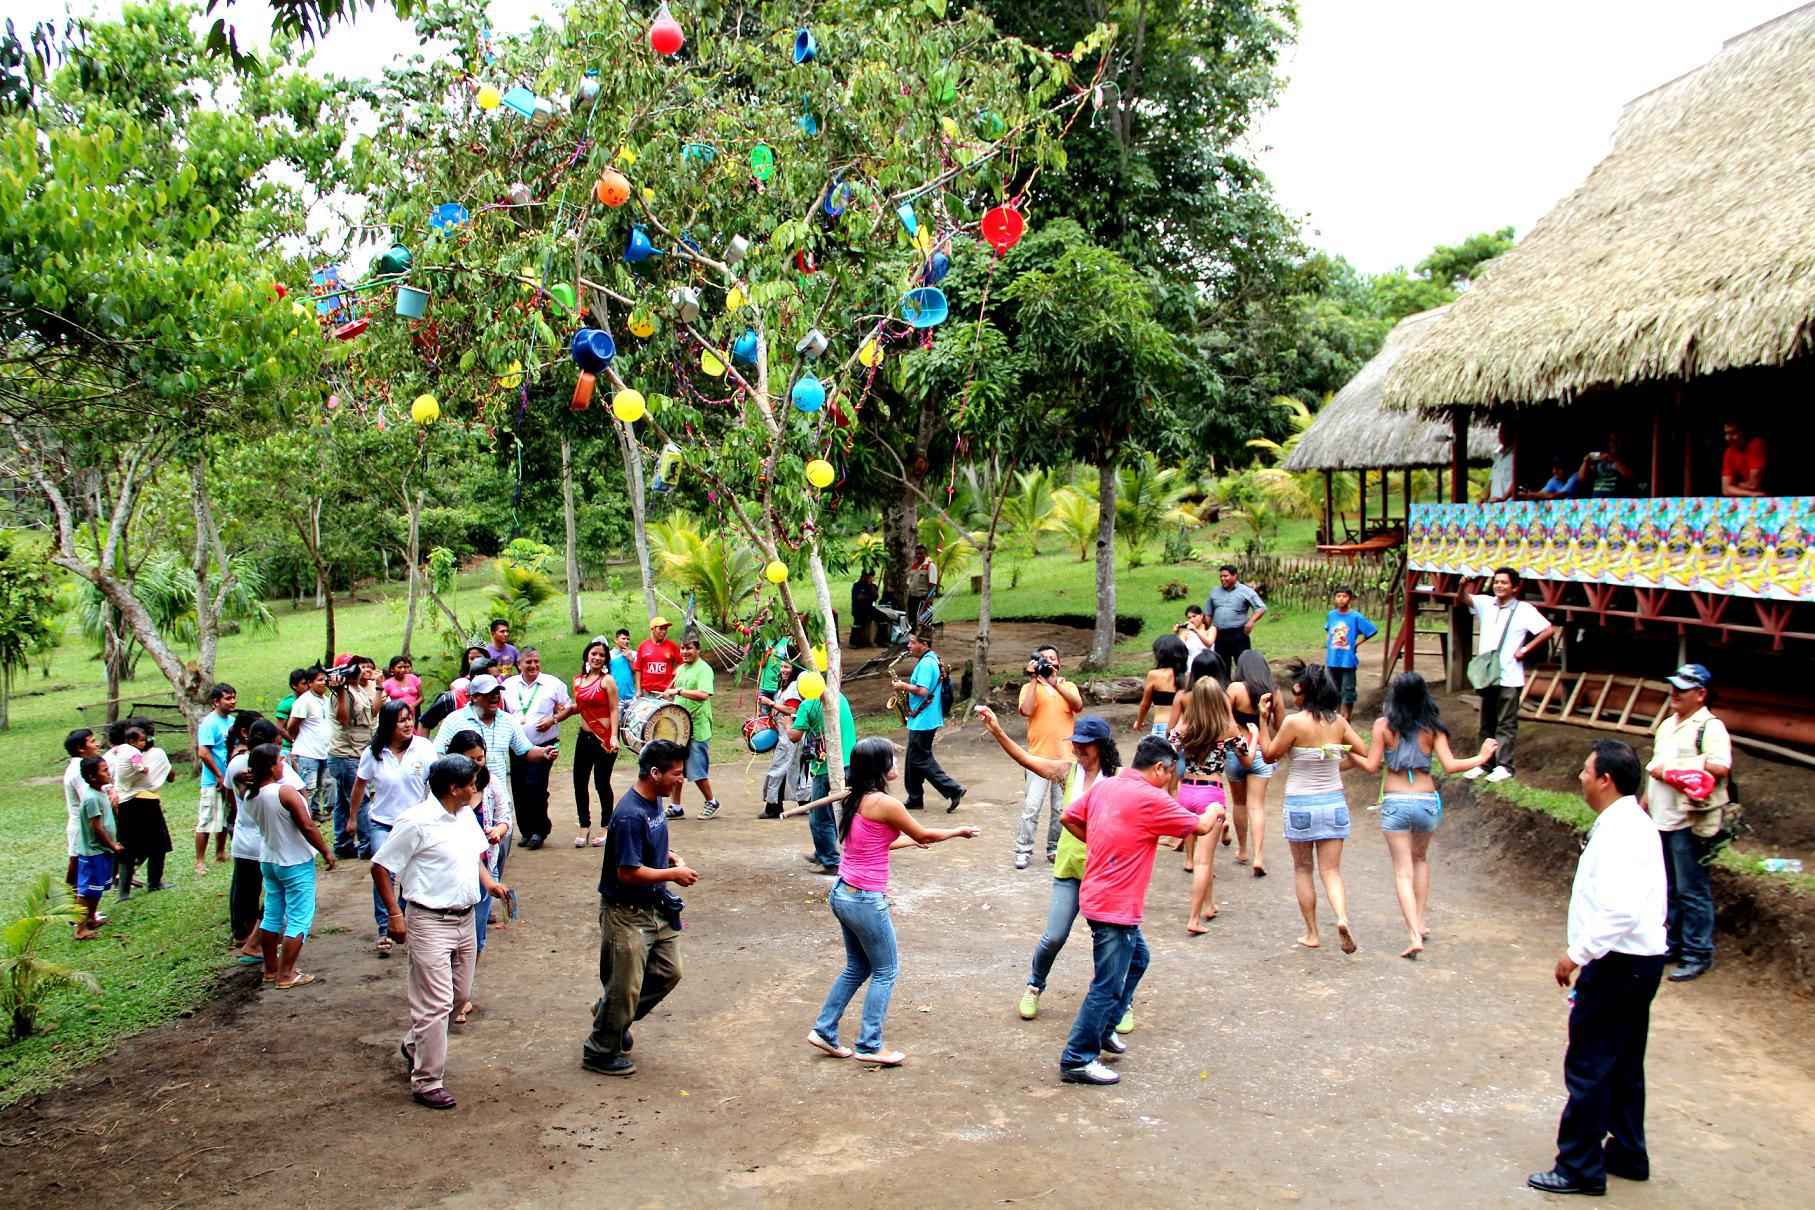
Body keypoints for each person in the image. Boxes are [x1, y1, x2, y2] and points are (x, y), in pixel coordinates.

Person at [1526, 740, 1668, 1198]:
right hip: (1638, 962)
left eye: (1586, 771)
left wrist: (1578, 954)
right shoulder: (1630, 823)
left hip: (1618, 963)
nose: (1581, 778)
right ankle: (1627, 1150)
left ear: (1606, 779)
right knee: (1624, 1062)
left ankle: (1579, 1166)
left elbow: (1621, 909)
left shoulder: (1622, 831)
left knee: (1589, 1064)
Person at [808, 737, 978, 1066]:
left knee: (858, 967)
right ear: (878, 768)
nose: (896, 765)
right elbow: (923, 834)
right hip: (864, 900)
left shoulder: (855, 799)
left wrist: (913, 844)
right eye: (891, 760)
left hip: (843, 892)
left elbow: (870, 846)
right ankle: (870, 1044)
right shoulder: (887, 805)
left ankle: (825, 1030)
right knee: (886, 970)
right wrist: (957, 831)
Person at [1057, 735, 1216, 1086]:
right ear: (1159, 768)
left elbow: (1068, 818)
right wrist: (1217, 808)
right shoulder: (1151, 798)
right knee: (1107, 984)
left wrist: (1100, 842)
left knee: (1138, 960)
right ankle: (1077, 1059)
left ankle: (1104, 1029)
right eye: (1171, 772)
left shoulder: (1107, 786)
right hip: (1115, 905)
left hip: (1100, 897)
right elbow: (1201, 827)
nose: (1172, 779)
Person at [372, 754, 510, 1111]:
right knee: (435, 1003)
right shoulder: (415, 822)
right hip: (429, 921)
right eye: (470, 784)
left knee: (459, 996)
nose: (475, 789)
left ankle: (415, 1045)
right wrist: (393, 914)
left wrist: (490, 884)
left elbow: (474, 857)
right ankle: (427, 1081)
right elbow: (381, 866)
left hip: (465, 919)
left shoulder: (464, 816)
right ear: (453, 788)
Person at [977, 709, 1120, 1023]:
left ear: (1103, 745)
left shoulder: (1119, 780)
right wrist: (998, 731)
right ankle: (1033, 986)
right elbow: (1028, 760)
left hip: (1106, 874)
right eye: (1075, 743)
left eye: (1085, 744)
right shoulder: (1068, 772)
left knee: (1111, 943)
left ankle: (1122, 1002)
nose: (1077, 749)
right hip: (1070, 869)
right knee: (1053, 936)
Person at [581, 739, 699, 1078]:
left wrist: (668, 854)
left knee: (668, 972)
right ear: (654, 772)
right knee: (624, 985)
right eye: (676, 773)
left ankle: (610, 1015)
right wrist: (672, 874)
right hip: (627, 912)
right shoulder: (630, 815)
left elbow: (648, 844)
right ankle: (600, 1049)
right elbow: (627, 871)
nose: (681, 779)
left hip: (655, 907)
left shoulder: (654, 800)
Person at [1360, 673, 1497, 958]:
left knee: (1402, 872)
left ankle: (1412, 934)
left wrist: (1349, 756)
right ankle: (1420, 923)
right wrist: (1481, 759)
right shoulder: (1433, 728)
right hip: (1425, 801)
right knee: (1420, 860)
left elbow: (1372, 766)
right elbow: (1450, 765)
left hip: (1396, 802)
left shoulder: (1383, 726)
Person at [1257, 665, 1369, 953]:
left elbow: (1269, 756)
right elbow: (1363, 752)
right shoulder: (1339, 723)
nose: (1294, 697)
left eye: (1297, 691)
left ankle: (1312, 932)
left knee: (1303, 868)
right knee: (1331, 871)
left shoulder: (1294, 723)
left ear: (1308, 693)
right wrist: (1331, 754)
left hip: (1300, 803)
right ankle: (1342, 918)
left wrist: (1261, 722)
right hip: (1333, 801)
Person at [1644, 663, 1730, 983]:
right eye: (1674, 686)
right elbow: (1654, 768)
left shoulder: (1710, 726)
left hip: (1688, 820)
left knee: (1692, 889)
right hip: (1662, 817)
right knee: (1669, 888)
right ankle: (1675, 944)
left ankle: (1697, 952)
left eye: (1683, 688)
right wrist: (1644, 801)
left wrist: (1672, 769)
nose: (1675, 693)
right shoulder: (1668, 724)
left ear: (1701, 694)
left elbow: (1721, 766)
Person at [432, 674, 554, 878]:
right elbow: (438, 755)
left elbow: (524, 750)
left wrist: (543, 752)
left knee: (496, 856)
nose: (495, 697)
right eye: (489, 694)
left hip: (497, 797)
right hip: (463, 801)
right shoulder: (455, 720)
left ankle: (486, 900)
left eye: (497, 692)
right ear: (474, 697)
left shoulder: (508, 721)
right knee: (464, 859)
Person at [242, 743, 335, 989]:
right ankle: (287, 973)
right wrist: (325, 851)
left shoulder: (250, 795)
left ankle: (271, 970)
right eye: (279, 761)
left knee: (272, 915)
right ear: (271, 767)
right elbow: (307, 826)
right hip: (294, 861)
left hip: (270, 860)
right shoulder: (284, 792)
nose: (283, 764)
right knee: (299, 918)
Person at [351, 700, 439, 956]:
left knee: (411, 873)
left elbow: (435, 782)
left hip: (415, 824)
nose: (408, 724)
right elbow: (359, 785)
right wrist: (352, 818)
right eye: (402, 720)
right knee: (384, 872)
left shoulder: (423, 747)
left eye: (409, 718)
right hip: (382, 823)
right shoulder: (374, 753)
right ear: (389, 725)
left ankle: (401, 918)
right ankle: (384, 927)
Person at [1458, 567, 1556, 783]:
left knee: (1506, 723)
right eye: (1497, 582)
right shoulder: (1486, 604)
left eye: (1504, 582)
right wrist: (1463, 585)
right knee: (1486, 721)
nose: (1499, 586)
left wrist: (1525, 650)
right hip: (1488, 675)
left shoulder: (1524, 609)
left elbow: (1548, 630)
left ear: (1515, 587)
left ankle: (1504, 765)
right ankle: (1483, 763)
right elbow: (1464, 599)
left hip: (1510, 675)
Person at [1170, 678, 1248, 933]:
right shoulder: (1227, 727)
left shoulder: (1187, 725)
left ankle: (1209, 904)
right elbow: (1246, 760)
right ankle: (1193, 919)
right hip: (1210, 794)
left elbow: (1170, 745)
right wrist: (1256, 735)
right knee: (1204, 860)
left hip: (1186, 793)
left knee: (1205, 856)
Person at [444, 731, 513, 977]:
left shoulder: (491, 783)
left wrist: (499, 830)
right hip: (449, 872)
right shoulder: (441, 789)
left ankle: (463, 991)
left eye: (480, 758)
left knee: (476, 931)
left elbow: (505, 818)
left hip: (485, 867)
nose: (475, 765)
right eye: (469, 759)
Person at [226, 719, 290, 962]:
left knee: (249, 892)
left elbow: (235, 797)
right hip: (266, 841)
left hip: (248, 838)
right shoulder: (275, 769)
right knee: (274, 893)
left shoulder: (239, 768)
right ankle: (258, 941)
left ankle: (253, 939)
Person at [1014, 644, 1083, 870]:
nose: (1049, 662)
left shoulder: (1068, 685)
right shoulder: (1028, 687)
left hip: (1066, 758)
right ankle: (1023, 849)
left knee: (1061, 809)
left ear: (1059, 664)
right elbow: (1026, 709)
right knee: (1032, 806)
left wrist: (1056, 684)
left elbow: (1078, 705)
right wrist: (1034, 678)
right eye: (1045, 659)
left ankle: (1054, 848)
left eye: (1053, 658)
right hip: (1038, 758)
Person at [503, 648, 572, 849]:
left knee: (536, 785)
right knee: (520, 787)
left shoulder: (552, 684)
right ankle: (526, 831)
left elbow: (567, 707)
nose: (533, 666)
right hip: (517, 745)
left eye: (536, 661)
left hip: (545, 744)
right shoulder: (508, 685)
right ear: (519, 665)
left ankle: (540, 830)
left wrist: (553, 720)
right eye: (528, 662)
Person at [891, 630, 964, 813]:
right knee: (912, 759)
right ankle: (915, 798)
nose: (908, 646)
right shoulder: (932, 659)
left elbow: (922, 691)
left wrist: (902, 686)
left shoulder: (925, 664)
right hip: (924, 718)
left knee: (920, 758)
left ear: (924, 644)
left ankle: (952, 789)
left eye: (912, 642)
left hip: (924, 719)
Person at [1225, 650, 1283, 875]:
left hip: (1236, 751)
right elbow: (1281, 726)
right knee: (1257, 805)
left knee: (1239, 804)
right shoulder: (1274, 692)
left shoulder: (1235, 689)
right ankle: (1259, 856)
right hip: (1261, 751)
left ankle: (1243, 850)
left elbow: (1224, 718)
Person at [790, 683, 858, 873]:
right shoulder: (838, 696)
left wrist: (787, 723)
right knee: (842, 812)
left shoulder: (807, 704)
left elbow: (794, 736)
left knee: (820, 817)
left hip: (826, 768)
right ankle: (823, 852)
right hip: (850, 761)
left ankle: (830, 861)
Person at [106, 719, 172, 896]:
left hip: (124, 802)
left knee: (127, 846)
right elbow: (170, 776)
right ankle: (155, 882)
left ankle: (123, 892)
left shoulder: (118, 753)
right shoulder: (155, 753)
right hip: (146, 801)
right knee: (158, 843)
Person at [570, 638, 621, 847]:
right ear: (587, 656)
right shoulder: (578, 681)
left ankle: (606, 826)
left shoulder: (607, 681)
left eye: (601, 655)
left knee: (601, 783)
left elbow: (613, 709)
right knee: (579, 782)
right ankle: (584, 825)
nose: (597, 658)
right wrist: (556, 716)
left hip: (604, 739)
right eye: (594, 654)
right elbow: (578, 707)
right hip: (584, 737)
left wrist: (613, 736)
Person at [328, 655, 381, 859]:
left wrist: (379, 688)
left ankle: (342, 845)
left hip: (353, 752)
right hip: (346, 754)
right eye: (355, 666)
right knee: (360, 800)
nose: (360, 669)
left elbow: (372, 713)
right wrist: (340, 692)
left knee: (343, 802)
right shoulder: (341, 692)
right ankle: (367, 846)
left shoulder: (359, 689)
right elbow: (343, 719)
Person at [666, 635, 722, 819]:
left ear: (698, 649)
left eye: (689, 648)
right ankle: (676, 807)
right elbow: (674, 689)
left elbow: (704, 694)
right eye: (682, 648)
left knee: (697, 770)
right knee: (676, 768)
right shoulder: (681, 668)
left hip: (697, 727)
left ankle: (711, 802)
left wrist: (679, 691)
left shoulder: (704, 669)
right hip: (680, 727)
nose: (685, 652)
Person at [71, 756, 124, 941]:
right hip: (93, 852)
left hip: (102, 851)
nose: (108, 773)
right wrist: (111, 845)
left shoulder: (100, 792)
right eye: (104, 771)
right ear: (92, 777)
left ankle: (92, 918)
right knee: (86, 891)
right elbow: (96, 826)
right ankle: (80, 928)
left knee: (96, 889)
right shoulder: (91, 798)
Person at [194, 682, 237, 874]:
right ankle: (199, 862)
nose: (232, 701)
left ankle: (220, 853)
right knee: (206, 819)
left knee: (226, 816)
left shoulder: (232, 721)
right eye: (228, 698)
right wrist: (219, 775)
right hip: (213, 781)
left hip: (228, 779)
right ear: (215, 701)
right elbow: (203, 752)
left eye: (233, 697)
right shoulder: (209, 723)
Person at [282, 667, 334, 822]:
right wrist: (296, 738)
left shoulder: (327, 700)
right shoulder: (303, 701)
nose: (324, 683)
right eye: (319, 680)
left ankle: (316, 812)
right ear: (310, 683)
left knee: (321, 784)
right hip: (307, 752)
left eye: (325, 679)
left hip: (324, 750)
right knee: (308, 787)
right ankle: (305, 816)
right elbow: (292, 725)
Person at [1322, 586, 1378, 721]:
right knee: (1333, 687)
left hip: (1347, 659)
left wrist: (1356, 643)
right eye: (1338, 596)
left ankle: (1347, 716)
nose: (1341, 599)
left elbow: (1371, 630)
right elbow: (1328, 630)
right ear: (1335, 599)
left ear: (1350, 599)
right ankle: (1335, 712)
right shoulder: (1332, 615)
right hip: (1333, 658)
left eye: (1345, 596)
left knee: (1348, 689)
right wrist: (1328, 645)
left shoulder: (1355, 617)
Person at [758, 661, 805, 820]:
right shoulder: (785, 685)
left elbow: (793, 709)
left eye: (787, 667)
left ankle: (773, 806)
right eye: (782, 666)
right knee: (793, 769)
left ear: (794, 669)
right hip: (784, 735)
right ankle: (805, 801)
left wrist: (771, 703)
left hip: (789, 734)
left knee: (779, 769)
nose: (782, 670)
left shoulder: (793, 687)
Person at [1205, 564, 1267, 664]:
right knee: (1221, 664)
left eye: (1226, 576)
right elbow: (1208, 613)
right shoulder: (1214, 592)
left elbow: (1261, 608)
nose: (1222, 579)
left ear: (1235, 576)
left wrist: (1251, 622)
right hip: (1219, 634)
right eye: (1221, 576)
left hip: (1238, 633)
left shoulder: (1245, 591)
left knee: (1243, 662)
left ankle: (1245, 679)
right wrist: (1205, 630)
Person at [1133, 634, 1187, 737]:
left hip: (1161, 727)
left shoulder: (1154, 675)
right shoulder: (1187, 677)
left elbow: (1145, 705)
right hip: (1182, 728)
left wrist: (1139, 722)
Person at [1579, 432, 1640, 499]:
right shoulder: (1599, 457)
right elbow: (1581, 478)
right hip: (1597, 500)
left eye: (1617, 440)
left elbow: (1632, 477)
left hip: (1617, 501)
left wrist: (1614, 460)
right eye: (1611, 440)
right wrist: (1586, 462)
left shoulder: (1628, 458)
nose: (1614, 443)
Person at [633, 616, 682, 697]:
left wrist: (675, 671)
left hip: (666, 691)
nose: (663, 631)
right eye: (660, 628)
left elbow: (683, 661)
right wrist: (638, 689)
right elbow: (638, 668)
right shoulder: (643, 646)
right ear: (653, 629)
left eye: (665, 629)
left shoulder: (672, 646)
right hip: (647, 691)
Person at [1720, 422, 1768, 498]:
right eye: (1726, 433)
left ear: (1745, 433)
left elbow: (1753, 485)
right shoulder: (1729, 452)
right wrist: (1751, 494)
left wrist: (1736, 485)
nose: (1728, 438)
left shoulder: (1757, 444)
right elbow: (1725, 490)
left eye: (1734, 433)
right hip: (1756, 497)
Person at [755, 633, 791, 721]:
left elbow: (791, 663)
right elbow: (761, 665)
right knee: (764, 716)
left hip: (778, 687)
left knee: (778, 716)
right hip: (764, 687)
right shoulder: (766, 642)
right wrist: (767, 655)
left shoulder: (787, 643)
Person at [274, 668, 307, 754]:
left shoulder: (308, 700)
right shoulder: (287, 703)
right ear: (294, 685)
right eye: (304, 683)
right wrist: (294, 741)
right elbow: (280, 728)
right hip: (289, 748)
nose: (307, 686)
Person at [905, 543, 939, 626]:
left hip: (922, 598)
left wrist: (928, 599)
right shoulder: (914, 566)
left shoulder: (930, 566)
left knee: (923, 621)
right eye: (917, 554)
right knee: (912, 620)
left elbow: (933, 584)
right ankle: (913, 637)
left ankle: (924, 638)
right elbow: (909, 583)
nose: (919, 556)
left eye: (921, 553)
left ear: (925, 554)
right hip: (912, 597)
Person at [849, 570, 880, 647]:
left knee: (883, 618)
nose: (870, 579)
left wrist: (870, 587)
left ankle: (881, 640)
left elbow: (875, 597)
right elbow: (859, 597)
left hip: (870, 608)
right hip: (858, 609)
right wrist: (869, 597)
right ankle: (853, 642)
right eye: (868, 577)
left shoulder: (873, 586)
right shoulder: (857, 585)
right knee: (859, 621)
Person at [1488, 422, 1516, 503]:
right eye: (1500, 432)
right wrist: (1485, 498)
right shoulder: (1498, 456)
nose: (1502, 435)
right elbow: (1491, 480)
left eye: (1506, 432)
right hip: (1493, 503)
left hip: (1509, 505)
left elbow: (1516, 482)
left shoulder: (1515, 456)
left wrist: (1503, 499)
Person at [609, 629, 637, 704]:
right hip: (616, 697)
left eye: (628, 639)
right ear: (616, 640)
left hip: (631, 696)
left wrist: (631, 659)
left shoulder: (633, 654)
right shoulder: (610, 655)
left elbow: (636, 672)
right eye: (623, 638)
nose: (626, 641)